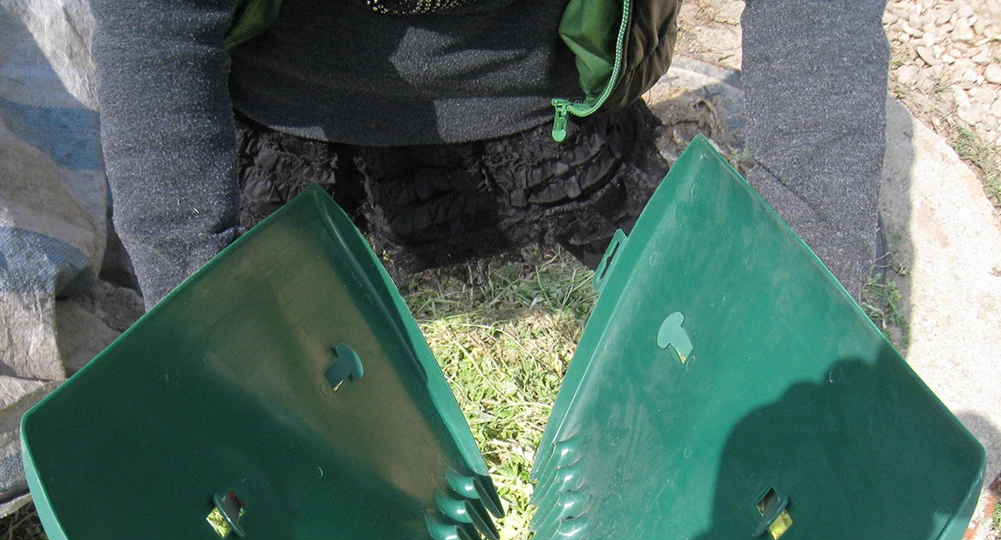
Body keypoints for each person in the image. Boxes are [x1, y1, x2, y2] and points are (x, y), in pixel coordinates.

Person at [89, 0, 889, 309]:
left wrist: (808, 298)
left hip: (555, 137)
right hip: (282, 138)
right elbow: (154, 28)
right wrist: (198, 315)